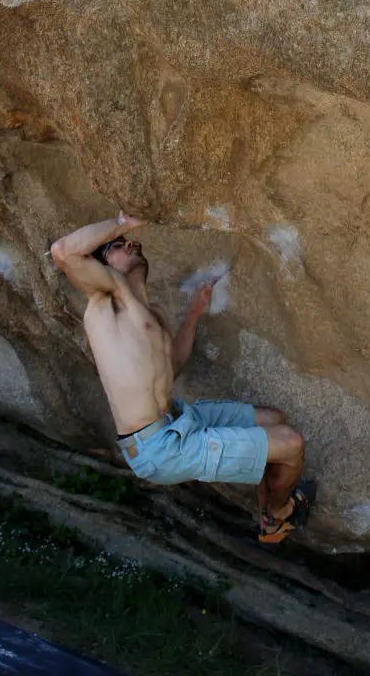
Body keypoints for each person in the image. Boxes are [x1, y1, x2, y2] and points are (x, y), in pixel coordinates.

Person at [51, 211, 314, 545]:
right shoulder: (104, 301)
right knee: (291, 445)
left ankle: (264, 510)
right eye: (118, 246)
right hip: (157, 448)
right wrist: (124, 221)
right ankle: (278, 517)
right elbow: (63, 252)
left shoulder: (152, 311)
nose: (132, 244)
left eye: (129, 240)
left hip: (177, 419)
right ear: (102, 265)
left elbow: (173, 365)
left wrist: (193, 315)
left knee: (274, 419)